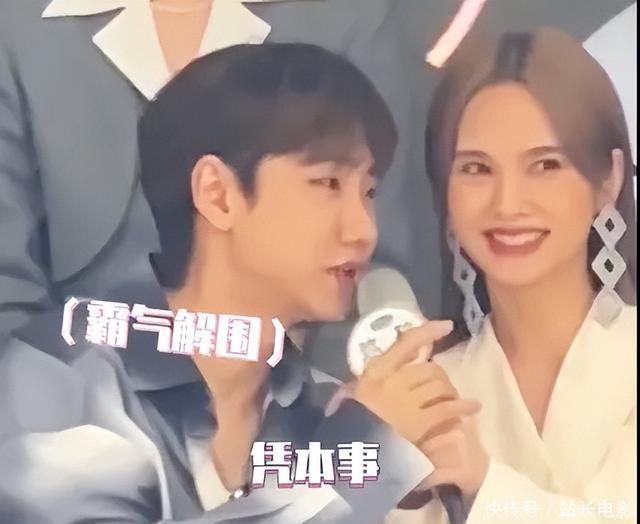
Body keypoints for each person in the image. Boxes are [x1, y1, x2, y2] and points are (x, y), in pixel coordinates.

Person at [0, 43, 479, 524]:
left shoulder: (322, 406)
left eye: (369, 191)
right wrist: (359, 459)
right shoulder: (65, 373)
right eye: (328, 184)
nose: (364, 230)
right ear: (218, 195)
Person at [386, 28, 637, 524]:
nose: (507, 204)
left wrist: (483, 484)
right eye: (476, 169)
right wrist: (355, 458)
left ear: (608, 179)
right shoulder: (431, 392)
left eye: (545, 165)